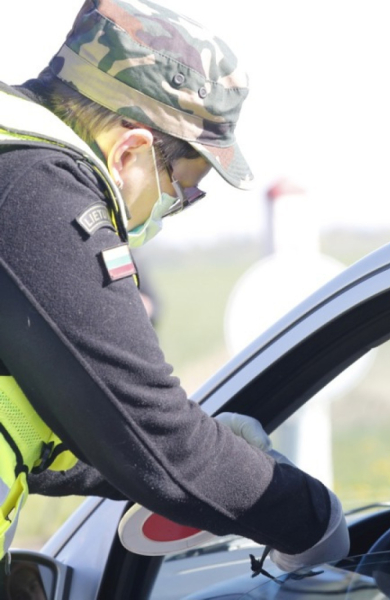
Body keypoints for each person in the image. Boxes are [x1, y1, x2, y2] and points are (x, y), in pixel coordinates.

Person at [0, 0, 347, 571]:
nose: (178, 206)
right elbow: (159, 442)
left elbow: (41, 421)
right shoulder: (35, 193)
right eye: (184, 188)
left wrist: (201, 447)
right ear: (131, 151)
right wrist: (313, 521)